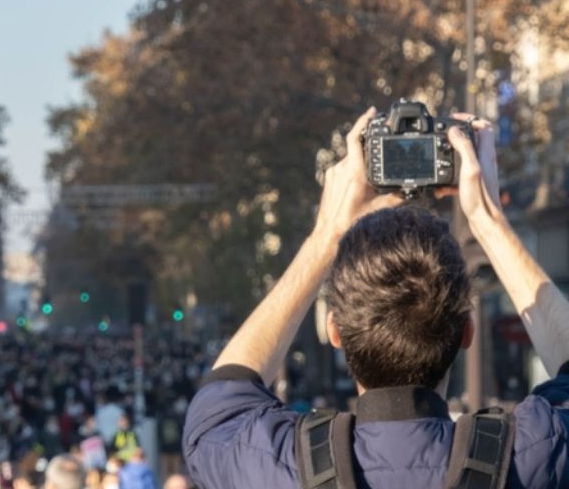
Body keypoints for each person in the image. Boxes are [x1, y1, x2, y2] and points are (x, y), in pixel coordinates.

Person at [184, 108, 569, 487]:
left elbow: (219, 408)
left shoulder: (279, 466)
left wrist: (326, 236)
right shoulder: (533, 455)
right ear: (466, 331)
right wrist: (487, 220)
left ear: (334, 330)